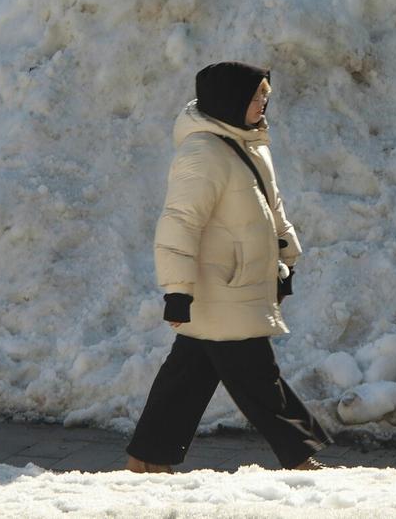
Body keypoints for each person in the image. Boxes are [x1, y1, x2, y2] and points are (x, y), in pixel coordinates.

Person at [126, 61, 331, 474]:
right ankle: (300, 457)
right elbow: (179, 224)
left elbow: (272, 210)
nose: (263, 104)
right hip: (220, 289)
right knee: (258, 377)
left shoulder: (250, 145)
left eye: (265, 96)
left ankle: (146, 459)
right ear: (229, 101)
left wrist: (286, 262)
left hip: (237, 286)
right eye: (255, 96)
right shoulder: (203, 153)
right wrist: (177, 291)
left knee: (188, 376)